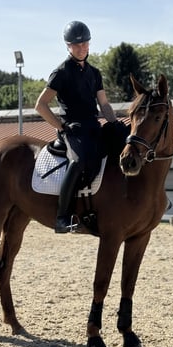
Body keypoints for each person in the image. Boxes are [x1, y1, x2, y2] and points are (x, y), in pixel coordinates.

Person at [35, 20, 121, 233]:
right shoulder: (61, 72)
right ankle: (62, 217)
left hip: (93, 125)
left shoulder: (94, 73)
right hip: (72, 129)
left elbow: (104, 103)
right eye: (76, 45)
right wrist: (61, 126)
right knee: (79, 160)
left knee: (125, 140)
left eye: (85, 44)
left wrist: (114, 122)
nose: (82, 48)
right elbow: (40, 105)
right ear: (68, 46)